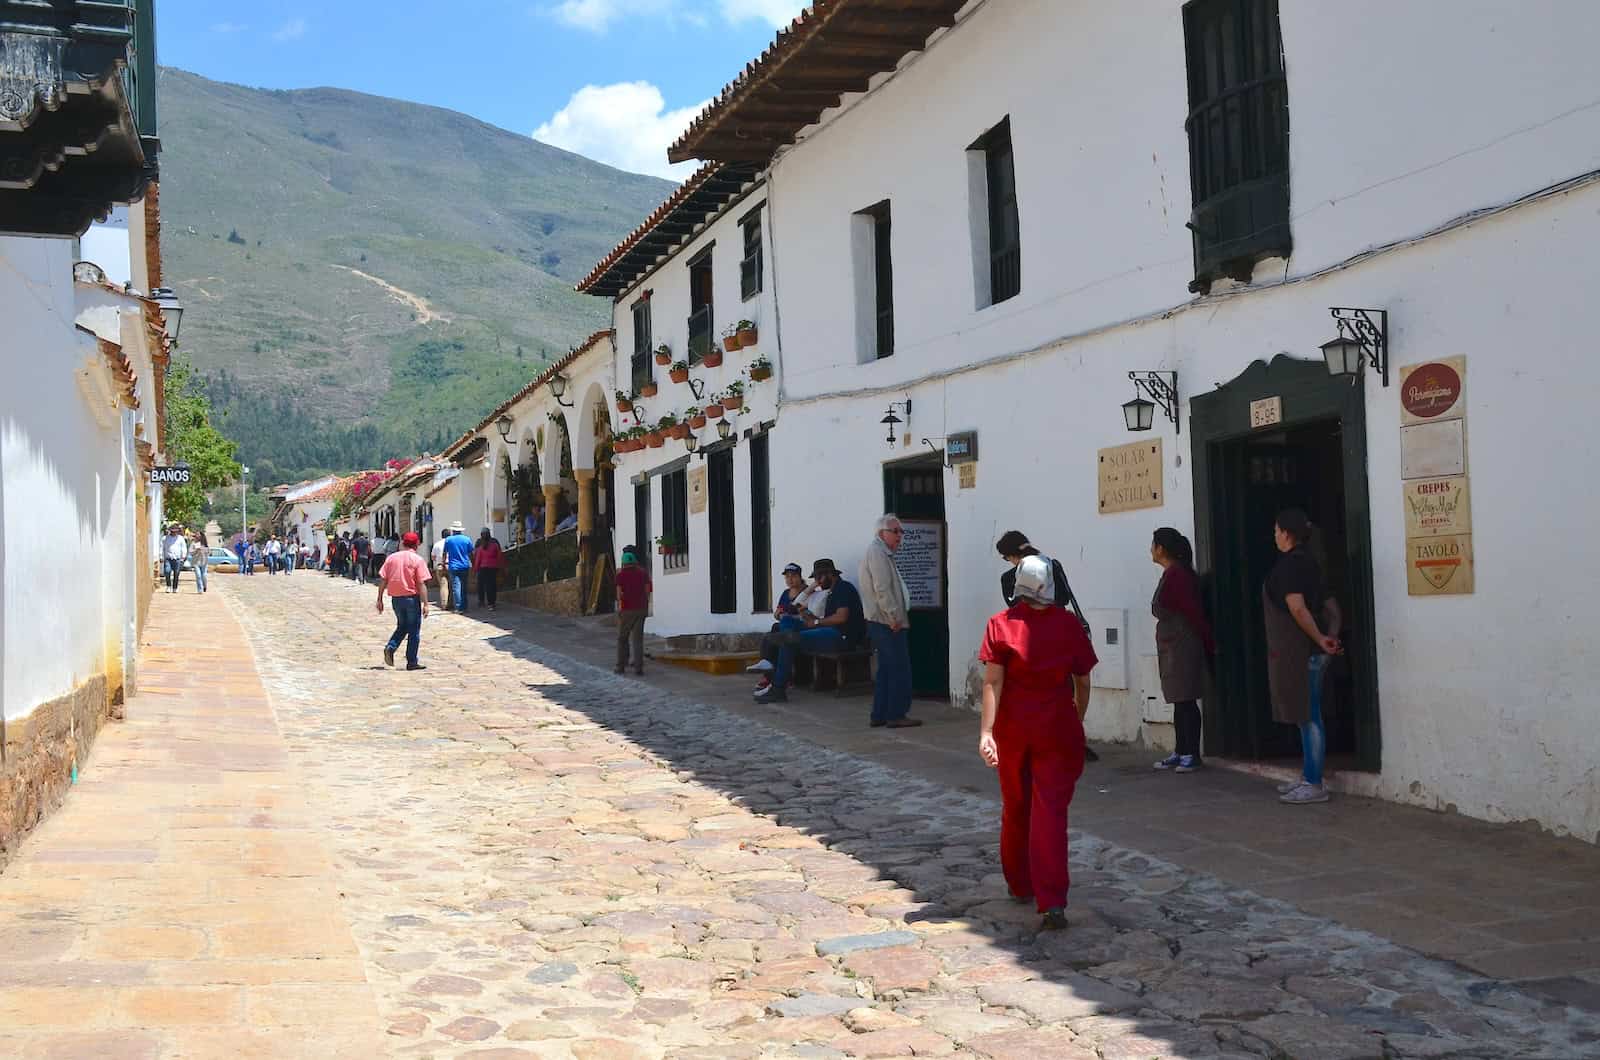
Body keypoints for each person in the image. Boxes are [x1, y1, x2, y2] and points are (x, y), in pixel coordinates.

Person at [978, 554, 1099, 932]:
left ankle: (1019, 882)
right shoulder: (1068, 625)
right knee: (1050, 812)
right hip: (1057, 727)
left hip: (1013, 729)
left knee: (1016, 806)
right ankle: (1052, 901)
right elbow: (1082, 680)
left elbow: (993, 682)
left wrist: (986, 732)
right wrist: (1076, 718)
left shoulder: (1000, 625)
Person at [996, 530, 1100, 763]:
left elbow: (1017, 607)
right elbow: (1062, 598)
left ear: (1010, 555)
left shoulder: (1011, 578)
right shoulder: (1052, 566)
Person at [1265, 508, 1343, 805]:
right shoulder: (1312, 564)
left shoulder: (1290, 567)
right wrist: (1331, 636)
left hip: (1302, 652)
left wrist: (1320, 639)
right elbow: (1332, 606)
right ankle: (1308, 774)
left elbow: (1298, 608)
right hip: (1314, 650)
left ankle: (1314, 782)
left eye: (1276, 530)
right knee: (1303, 712)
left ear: (1286, 533)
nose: (1274, 535)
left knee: (1309, 715)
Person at [756, 559, 864, 706]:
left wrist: (817, 622)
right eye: (815, 579)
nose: (817, 582)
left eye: (819, 577)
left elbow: (841, 617)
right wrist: (807, 614)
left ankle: (778, 687)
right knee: (788, 621)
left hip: (842, 637)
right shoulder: (830, 591)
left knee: (789, 640)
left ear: (829, 574)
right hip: (828, 631)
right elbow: (799, 608)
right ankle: (783, 641)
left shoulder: (844, 588)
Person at [1150, 528, 1214, 773]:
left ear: (1162, 549)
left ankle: (1191, 753)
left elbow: (1192, 612)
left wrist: (1207, 641)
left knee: (1186, 700)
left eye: (1154, 545)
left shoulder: (1178, 576)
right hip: (1172, 645)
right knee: (1179, 700)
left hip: (1182, 646)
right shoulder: (1173, 574)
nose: (1151, 550)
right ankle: (1180, 749)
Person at [858, 514, 920, 729]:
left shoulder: (882, 552)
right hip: (886, 621)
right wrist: (894, 616)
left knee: (886, 669)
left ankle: (880, 713)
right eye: (895, 531)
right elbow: (882, 589)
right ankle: (895, 713)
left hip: (882, 620)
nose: (899, 536)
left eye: (901, 531)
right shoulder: (877, 553)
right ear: (881, 533)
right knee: (898, 668)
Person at [747, 563, 819, 692]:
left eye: (793, 576)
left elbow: (810, 614)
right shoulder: (786, 593)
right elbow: (779, 612)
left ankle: (772, 675)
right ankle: (769, 672)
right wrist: (778, 615)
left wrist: (790, 616)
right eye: (787, 577)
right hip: (786, 627)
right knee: (774, 632)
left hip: (802, 627)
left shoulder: (808, 593)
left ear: (799, 576)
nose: (790, 580)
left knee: (777, 633)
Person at [377, 531, 431, 670]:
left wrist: (380, 599)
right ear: (417, 544)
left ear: (403, 542)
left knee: (402, 626)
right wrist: (425, 603)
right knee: (413, 630)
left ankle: (391, 647)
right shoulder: (417, 560)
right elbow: (421, 583)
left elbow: (383, 580)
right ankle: (412, 661)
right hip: (411, 598)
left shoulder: (391, 558)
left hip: (396, 599)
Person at [614, 546, 652, 675]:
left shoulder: (620, 575)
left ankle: (620, 666)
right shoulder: (643, 573)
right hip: (641, 609)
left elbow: (619, 594)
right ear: (635, 561)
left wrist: (620, 607)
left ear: (624, 562)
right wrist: (644, 603)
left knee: (622, 638)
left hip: (627, 610)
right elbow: (647, 591)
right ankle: (638, 668)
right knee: (638, 639)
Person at [442, 521, 475, 614]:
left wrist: (444, 563)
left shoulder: (448, 540)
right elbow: (471, 553)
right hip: (464, 565)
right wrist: (473, 564)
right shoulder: (467, 539)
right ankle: (465, 606)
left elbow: (445, 553)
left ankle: (458, 607)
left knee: (456, 587)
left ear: (453, 530)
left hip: (453, 566)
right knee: (464, 586)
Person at [473, 528, 504, 611]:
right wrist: (500, 566)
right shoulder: (494, 544)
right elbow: (499, 556)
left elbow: (477, 558)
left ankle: (482, 601)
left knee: (482, 585)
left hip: (482, 568)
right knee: (492, 585)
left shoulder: (480, 545)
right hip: (493, 568)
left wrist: (475, 569)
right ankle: (491, 603)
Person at [160, 525, 187, 593]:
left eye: (175, 531)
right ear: (170, 531)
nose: (174, 533)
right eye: (172, 531)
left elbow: (183, 548)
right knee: (167, 571)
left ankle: (175, 587)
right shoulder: (165, 538)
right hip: (168, 558)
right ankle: (168, 586)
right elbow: (162, 548)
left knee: (176, 573)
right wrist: (161, 556)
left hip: (177, 559)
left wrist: (183, 556)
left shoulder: (180, 538)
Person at [431, 533, 451, 611]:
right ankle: (451, 603)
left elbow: (433, 557)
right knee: (451, 586)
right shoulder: (450, 543)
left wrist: (438, 560)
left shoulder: (437, 544)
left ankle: (444, 604)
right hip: (450, 565)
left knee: (443, 586)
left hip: (440, 566)